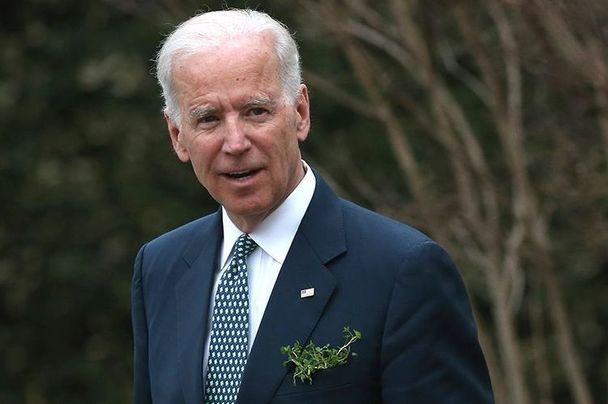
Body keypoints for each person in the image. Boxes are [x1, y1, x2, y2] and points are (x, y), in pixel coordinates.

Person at [132, 9, 494, 404]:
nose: (235, 143)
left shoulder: (402, 271)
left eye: (256, 112)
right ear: (177, 136)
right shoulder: (160, 267)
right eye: (208, 119)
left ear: (300, 113)